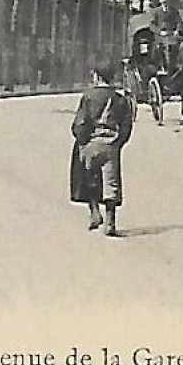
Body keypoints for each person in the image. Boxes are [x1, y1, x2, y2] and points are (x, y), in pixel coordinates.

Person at [69, 60, 135, 238]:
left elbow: (80, 123)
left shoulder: (89, 97)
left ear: (97, 76)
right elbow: (127, 126)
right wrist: (118, 143)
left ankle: (94, 212)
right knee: (111, 184)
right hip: (111, 145)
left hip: (91, 144)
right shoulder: (120, 99)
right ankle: (110, 221)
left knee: (90, 179)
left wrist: (82, 140)